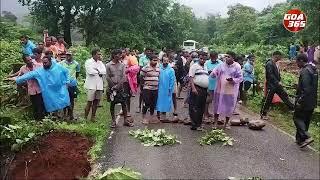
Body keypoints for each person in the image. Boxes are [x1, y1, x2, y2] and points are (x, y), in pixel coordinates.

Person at [210, 51, 243, 129]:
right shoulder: (221, 65)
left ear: (233, 58)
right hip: (220, 88)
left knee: (229, 106)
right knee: (217, 105)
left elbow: (240, 78)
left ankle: (227, 123)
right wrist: (213, 74)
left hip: (230, 90)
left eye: (228, 57)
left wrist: (233, 80)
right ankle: (215, 122)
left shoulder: (237, 66)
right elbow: (214, 72)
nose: (226, 58)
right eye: (226, 56)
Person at [7, 55, 44, 120]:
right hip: (31, 90)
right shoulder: (23, 68)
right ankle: (37, 120)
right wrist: (13, 78)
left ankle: (41, 119)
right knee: (34, 105)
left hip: (40, 88)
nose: (30, 61)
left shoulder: (38, 66)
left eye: (30, 59)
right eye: (28, 60)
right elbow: (19, 77)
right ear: (25, 61)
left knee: (40, 104)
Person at [260, 51, 294, 120]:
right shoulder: (269, 63)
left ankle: (292, 108)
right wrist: (277, 82)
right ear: (276, 56)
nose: (281, 58)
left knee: (284, 95)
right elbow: (270, 75)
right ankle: (263, 114)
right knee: (268, 100)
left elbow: (276, 74)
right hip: (271, 85)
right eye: (280, 56)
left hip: (276, 85)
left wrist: (278, 82)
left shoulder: (275, 64)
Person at [294, 53, 318, 148]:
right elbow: (311, 86)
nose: (296, 64)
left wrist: (300, 101)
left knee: (297, 118)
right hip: (312, 101)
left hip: (304, 101)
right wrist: (298, 86)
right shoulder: (314, 70)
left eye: (297, 62)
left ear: (301, 61)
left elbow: (306, 89)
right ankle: (300, 140)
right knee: (305, 120)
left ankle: (307, 136)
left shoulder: (305, 71)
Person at [106, 49, 133, 128]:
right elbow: (107, 77)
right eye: (118, 54)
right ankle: (113, 121)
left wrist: (118, 86)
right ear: (114, 55)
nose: (120, 56)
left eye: (120, 54)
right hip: (112, 88)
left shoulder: (122, 65)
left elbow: (124, 77)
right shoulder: (108, 65)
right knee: (112, 104)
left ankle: (125, 121)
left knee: (123, 103)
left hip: (120, 88)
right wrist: (113, 86)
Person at [189, 52, 209, 131]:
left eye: (204, 59)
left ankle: (199, 124)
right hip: (196, 88)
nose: (202, 60)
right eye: (201, 58)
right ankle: (194, 124)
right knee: (194, 106)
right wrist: (193, 88)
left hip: (204, 89)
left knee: (201, 107)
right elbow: (191, 77)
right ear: (198, 58)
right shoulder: (194, 66)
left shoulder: (205, 67)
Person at [84, 48, 106, 121]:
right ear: (93, 54)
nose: (99, 55)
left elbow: (104, 71)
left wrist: (97, 70)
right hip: (91, 85)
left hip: (99, 85)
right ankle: (85, 117)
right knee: (89, 101)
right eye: (98, 54)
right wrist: (99, 72)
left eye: (100, 54)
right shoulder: (88, 62)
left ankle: (93, 117)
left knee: (96, 102)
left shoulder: (100, 63)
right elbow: (90, 71)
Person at [140, 54, 160, 124]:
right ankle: (144, 117)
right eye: (154, 60)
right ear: (150, 60)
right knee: (147, 103)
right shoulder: (146, 68)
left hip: (155, 89)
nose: (155, 62)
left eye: (156, 60)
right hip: (147, 88)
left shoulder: (158, 68)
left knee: (153, 104)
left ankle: (151, 117)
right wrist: (142, 85)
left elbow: (159, 76)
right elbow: (141, 76)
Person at [60, 52, 80, 120]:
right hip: (64, 84)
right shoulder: (61, 63)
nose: (68, 56)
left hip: (72, 84)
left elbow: (77, 73)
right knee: (64, 99)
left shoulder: (76, 64)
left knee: (71, 99)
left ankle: (70, 114)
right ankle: (64, 114)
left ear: (72, 56)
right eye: (67, 55)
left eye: (69, 55)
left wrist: (72, 80)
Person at [203, 51, 222, 123]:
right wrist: (208, 72)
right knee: (208, 100)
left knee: (217, 101)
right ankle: (206, 114)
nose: (214, 59)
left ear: (217, 57)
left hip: (218, 85)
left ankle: (216, 116)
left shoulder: (221, 63)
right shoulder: (206, 63)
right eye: (212, 58)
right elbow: (204, 71)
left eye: (215, 57)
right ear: (210, 57)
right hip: (209, 84)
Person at [156, 54, 176, 122]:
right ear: (162, 61)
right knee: (158, 101)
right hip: (159, 88)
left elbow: (172, 80)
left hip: (167, 88)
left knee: (166, 101)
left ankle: (163, 116)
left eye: (167, 61)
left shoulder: (171, 70)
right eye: (164, 61)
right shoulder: (159, 68)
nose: (166, 62)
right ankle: (158, 115)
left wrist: (170, 88)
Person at [137, 48, 153, 113]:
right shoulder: (142, 58)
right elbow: (140, 68)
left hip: (151, 78)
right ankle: (139, 107)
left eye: (150, 51)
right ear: (145, 52)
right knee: (142, 93)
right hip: (143, 77)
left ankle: (148, 106)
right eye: (147, 51)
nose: (149, 52)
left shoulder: (152, 59)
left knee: (150, 92)